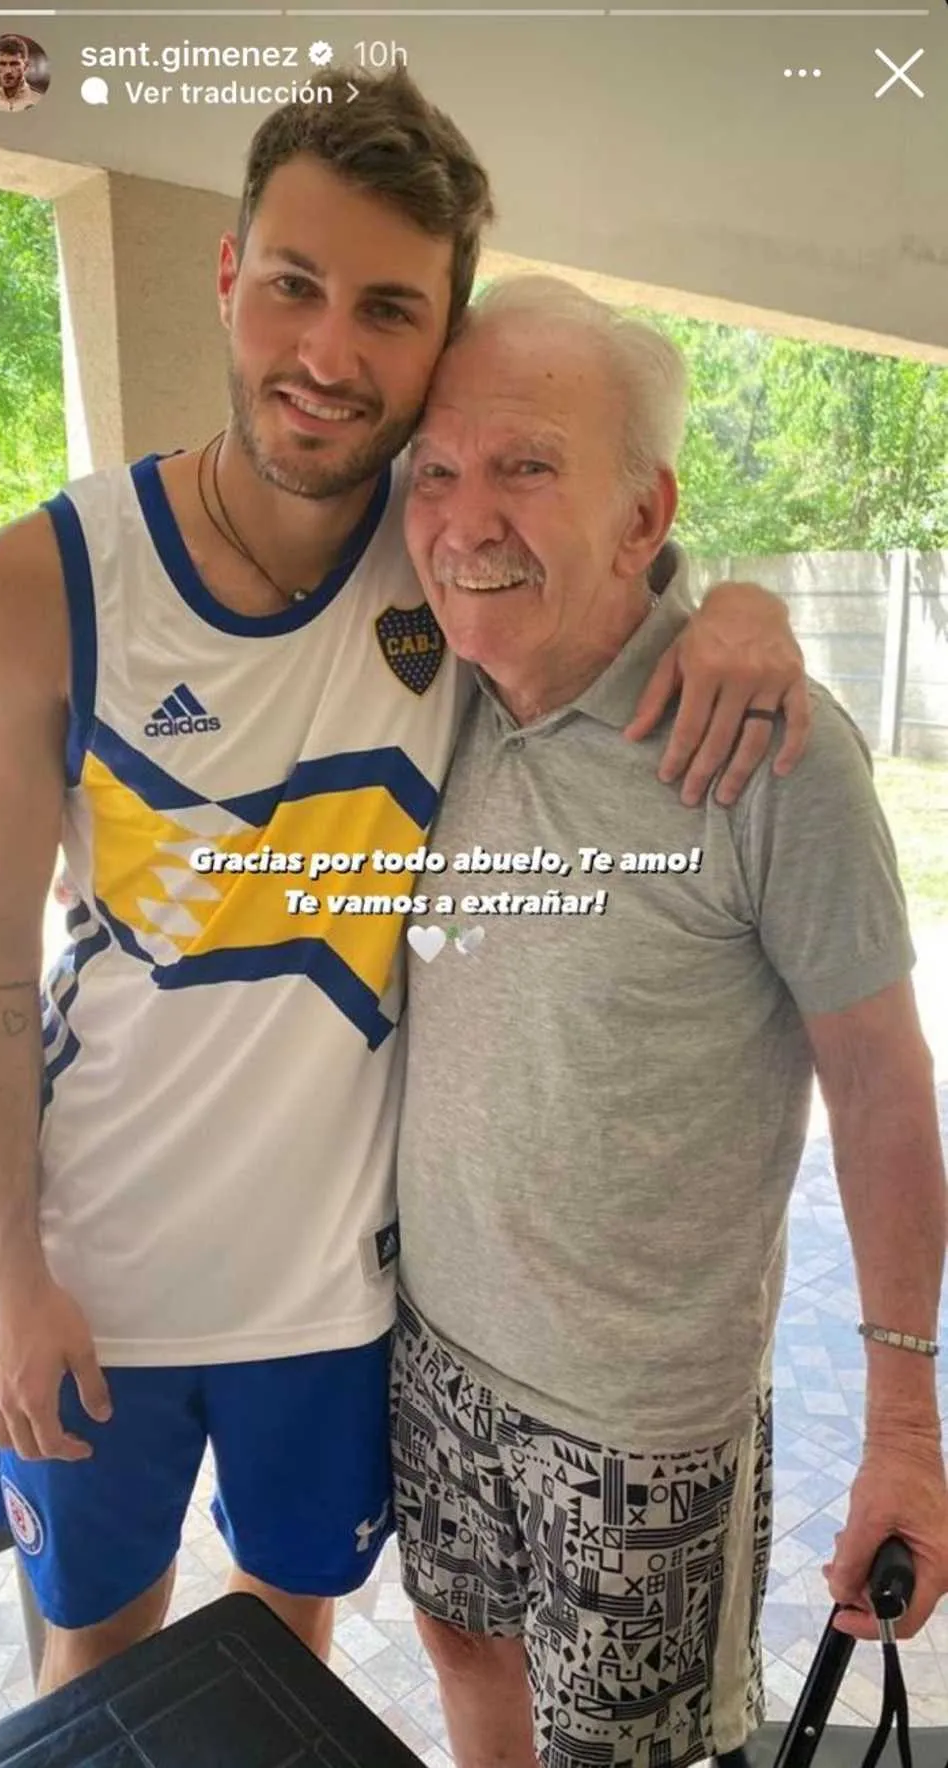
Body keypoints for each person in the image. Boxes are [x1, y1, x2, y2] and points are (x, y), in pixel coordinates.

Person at [0, 70, 809, 1695]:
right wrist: (5, 1275)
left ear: (439, 343)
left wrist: (744, 608)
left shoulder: (452, 565)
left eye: (389, 311)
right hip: (97, 1275)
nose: (329, 353)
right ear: (229, 277)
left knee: (283, 1667)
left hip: (334, 1301)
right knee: (98, 1671)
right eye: (294, 284)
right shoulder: (41, 582)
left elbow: (611, 562)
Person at [390, 276, 948, 1768]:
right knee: (461, 1647)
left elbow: (883, 1088)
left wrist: (902, 1426)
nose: (465, 517)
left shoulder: (769, 754)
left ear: (644, 515)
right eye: (436, 470)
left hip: (640, 1426)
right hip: (435, 1345)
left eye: (527, 465)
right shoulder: (431, 684)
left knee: (624, 1753)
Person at [0, 36, 43, 112]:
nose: (8, 71)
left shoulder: (38, 100)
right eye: (2, 64)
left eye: (14, 64)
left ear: (26, 66)